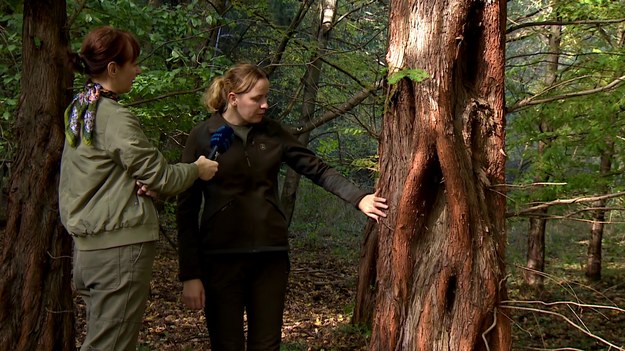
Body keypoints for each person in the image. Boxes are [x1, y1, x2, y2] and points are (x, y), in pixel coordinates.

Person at [176, 63, 388, 351]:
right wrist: (190, 274)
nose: (265, 105)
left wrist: (359, 197)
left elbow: (317, 169)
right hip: (220, 259)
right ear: (233, 97)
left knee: (267, 345)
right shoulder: (203, 135)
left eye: (267, 97)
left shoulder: (273, 133)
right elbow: (186, 208)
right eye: (257, 99)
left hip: (270, 258)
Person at [58, 26, 219, 351]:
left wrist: (133, 184)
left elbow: (97, 176)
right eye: (134, 62)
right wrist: (197, 170)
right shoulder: (112, 117)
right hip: (117, 251)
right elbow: (161, 176)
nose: (139, 69)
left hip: (90, 251)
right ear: (113, 68)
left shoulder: (80, 110)